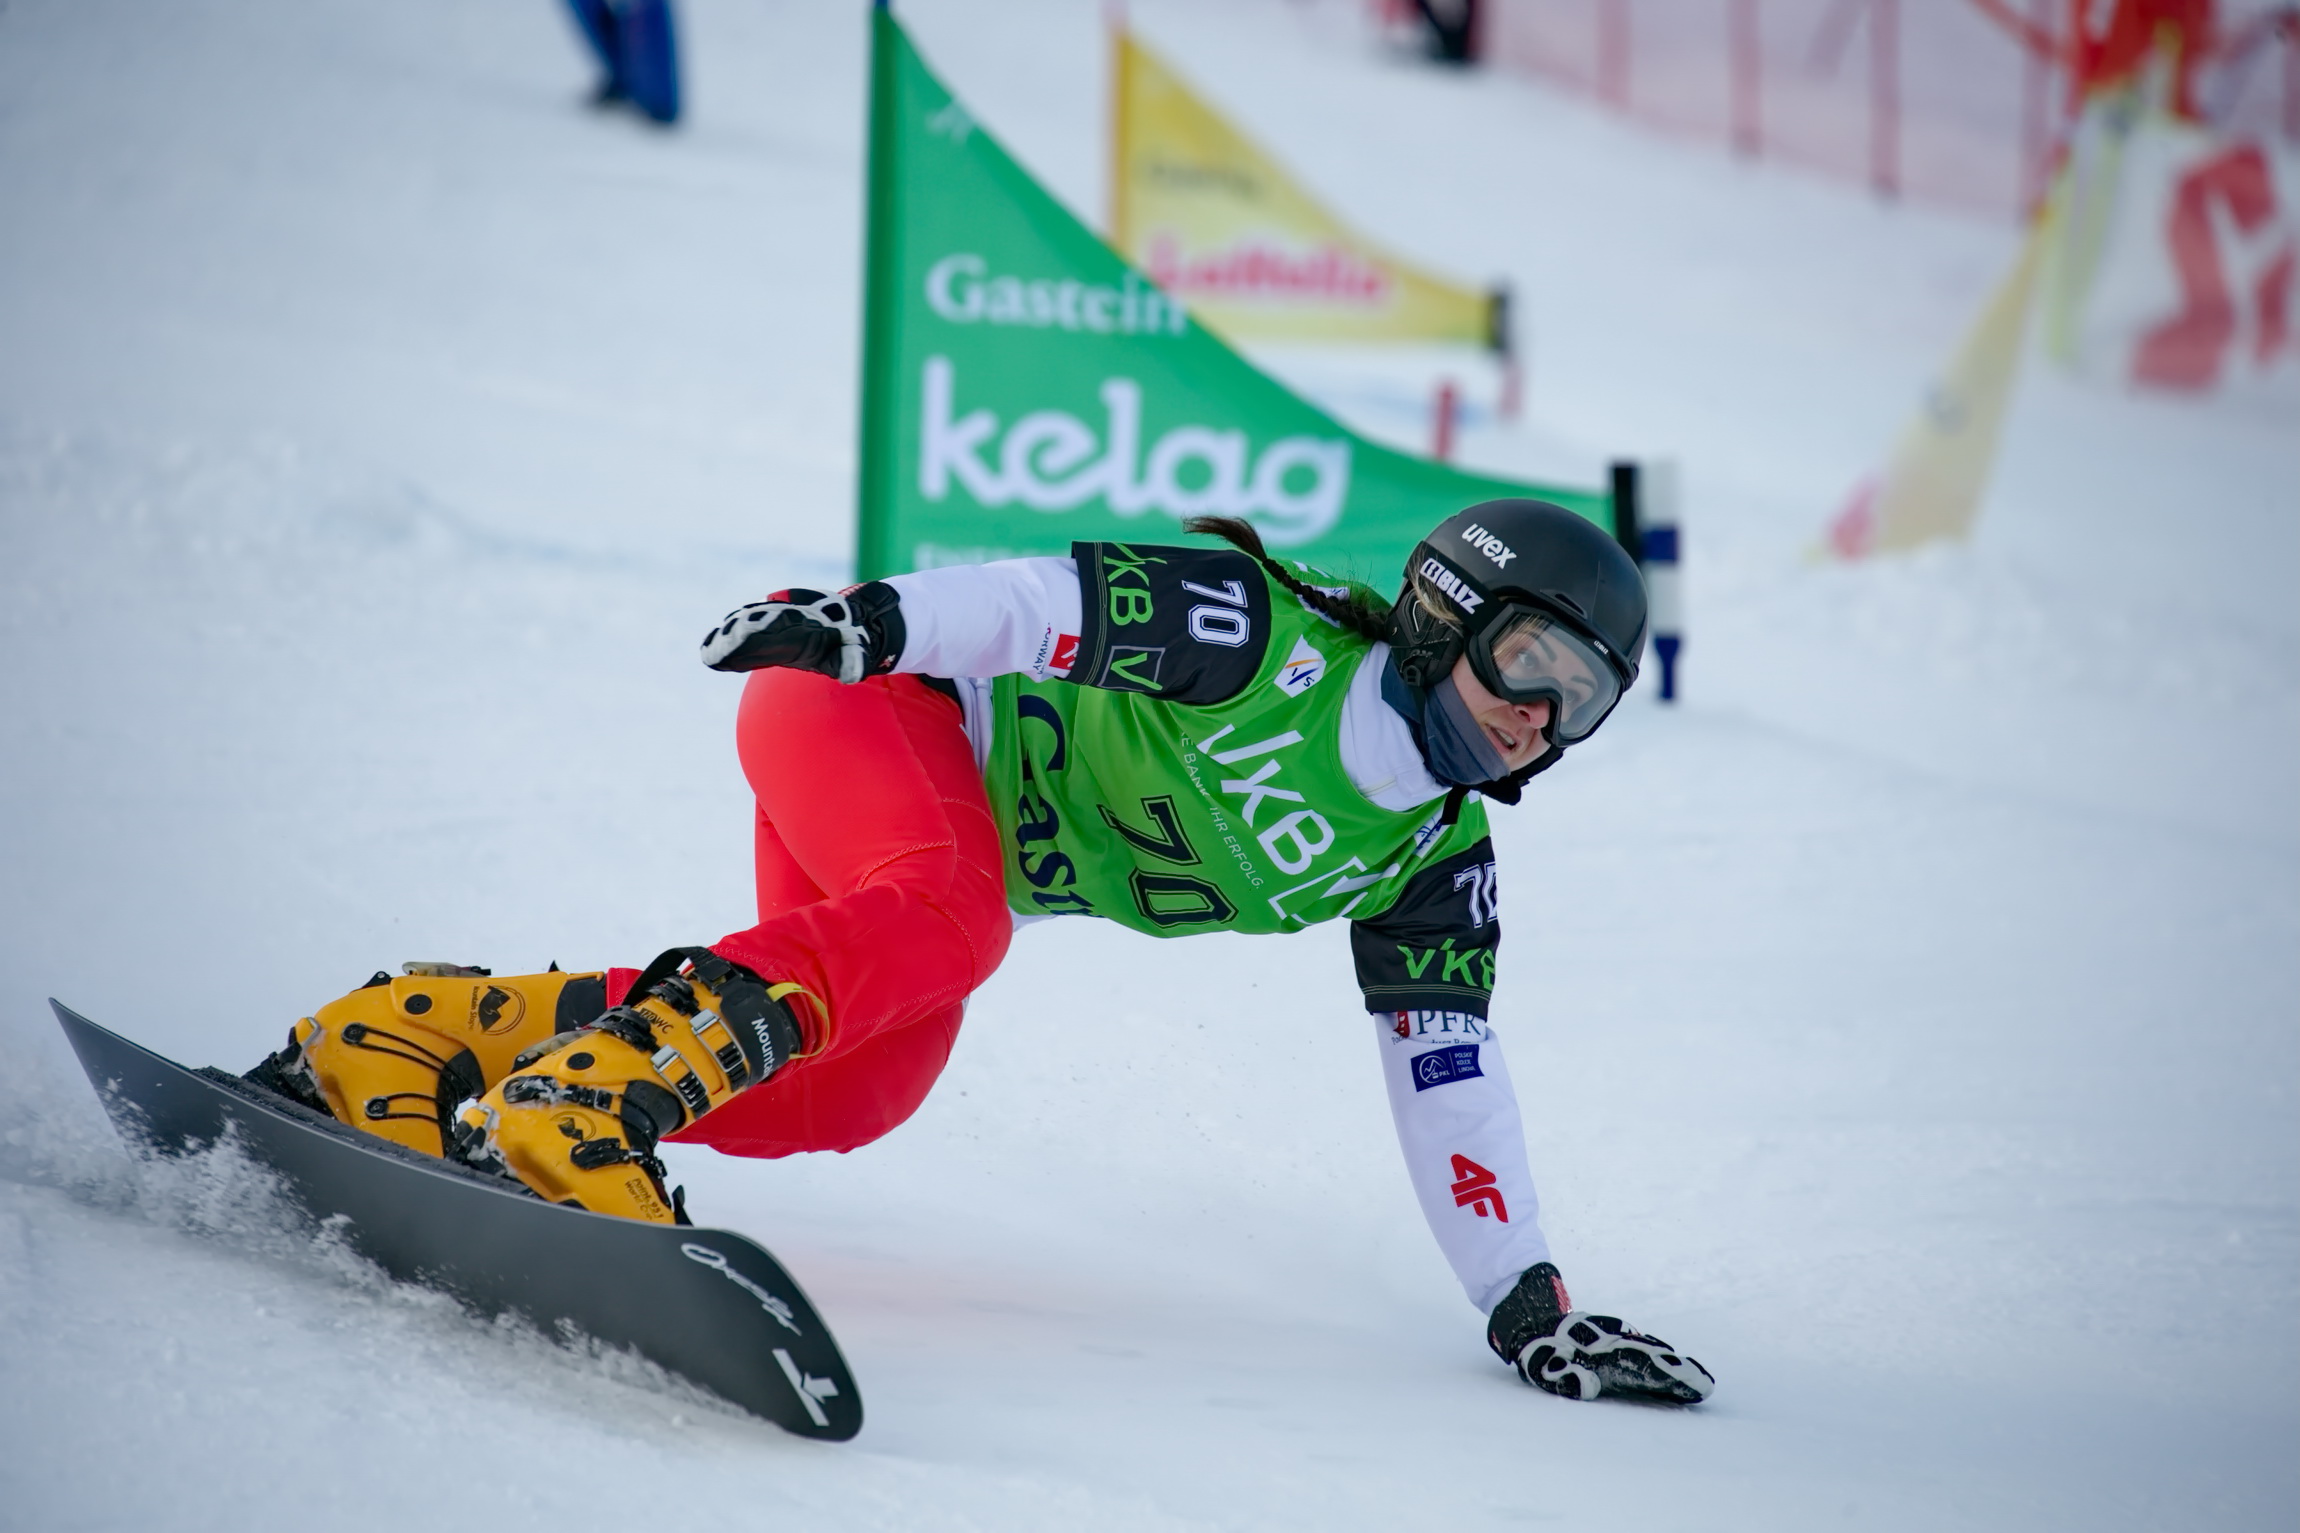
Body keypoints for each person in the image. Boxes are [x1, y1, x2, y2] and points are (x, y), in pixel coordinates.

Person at [250, 501, 1714, 1406]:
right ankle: (577, 1109)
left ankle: (419, 1033)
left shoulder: (1433, 858)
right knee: (958, 920)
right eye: (1530, 662)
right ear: (1451, 614)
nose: (1539, 717)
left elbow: (1450, 1075)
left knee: (857, 1088)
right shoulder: (1268, 641)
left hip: (917, 846)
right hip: (865, 703)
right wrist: (867, 624)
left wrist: (1526, 1304)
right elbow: (1042, 603)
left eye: (1582, 700)